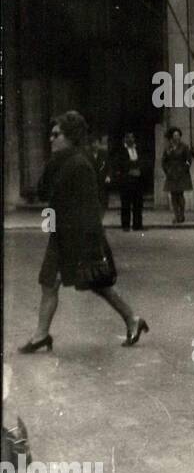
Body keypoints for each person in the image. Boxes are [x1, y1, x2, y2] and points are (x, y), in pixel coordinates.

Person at [19, 111, 148, 354]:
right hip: (62, 235)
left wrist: (91, 243)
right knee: (49, 282)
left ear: (70, 137)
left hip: (80, 237)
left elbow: (91, 206)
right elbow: (43, 192)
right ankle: (41, 335)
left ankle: (133, 319)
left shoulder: (80, 164)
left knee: (98, 283)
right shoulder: (59, 161)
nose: (51, 139)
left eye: (56, 135)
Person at [111, 131, 147, 232]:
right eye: (128, 138)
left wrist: (139, 168)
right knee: (126, 204)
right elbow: (119, 164)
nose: (131, 140)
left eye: (132, 137)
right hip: (126, 180)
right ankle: (125, 225)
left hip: (137, 180)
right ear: (125, 139)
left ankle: (137, 225)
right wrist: (129, 168)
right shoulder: (121, 151)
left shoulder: (138, 149)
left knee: (138, 203)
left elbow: (143, 161)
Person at [161, 127, 194, 224]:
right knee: (173, 195)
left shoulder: (184, 147)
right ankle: (176, 215)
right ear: (172, 137)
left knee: (180, 195)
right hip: (171, 174)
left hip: (182, 174)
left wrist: (185, 169)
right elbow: (164, 161)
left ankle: (181, 214)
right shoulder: (168, 148)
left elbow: (189, 160)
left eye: (178, 135)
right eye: (175, 135)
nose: (177, 137)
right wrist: (167, 171)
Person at [88, 134, 111, 213]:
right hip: (91, 181)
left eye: (97, 143)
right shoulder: (87, 155)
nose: (95, 145)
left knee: (102, 202)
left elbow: (109, 166)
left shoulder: (104, 154)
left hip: (102, 181)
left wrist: (108, 176)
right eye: (93, 143)